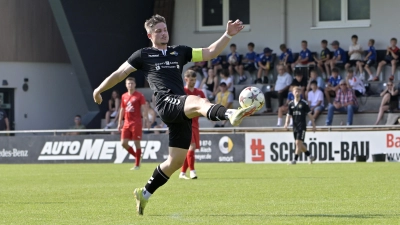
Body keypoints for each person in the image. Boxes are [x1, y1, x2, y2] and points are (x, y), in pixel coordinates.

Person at [92, 15, 256, 215]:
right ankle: (230, 113)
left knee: (176, 161)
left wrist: (227, 35)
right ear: (150, 35)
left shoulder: (179, 51)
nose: (163, 33)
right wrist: (98, 90)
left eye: (165, 29)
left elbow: (210, 52)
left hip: (179, 106)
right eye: (158, 31)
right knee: (199, 102)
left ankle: (145, 193)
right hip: (165, 102)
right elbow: (119, 74)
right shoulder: (143, 55)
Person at [179, 70, 205, 179]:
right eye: (191, 80)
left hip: (195, 124)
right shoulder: (182, 91)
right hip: (185, 123)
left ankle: (182, 173)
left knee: (189, 149)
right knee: (192, 146)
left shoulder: (199, 93)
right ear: (186, 79)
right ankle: (192, 171)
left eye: (194, 80)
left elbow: (204, 106)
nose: (193, 82)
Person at [118, 77, 147, 170]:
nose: (130, 85)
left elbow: (144, 107)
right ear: (126, 85)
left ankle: (137, 165)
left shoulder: (139, 95)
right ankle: (137, 156)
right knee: (123, 143)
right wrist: (120, 122)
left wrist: (145, 119)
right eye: (128, 83)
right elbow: (122, 109)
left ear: (135, 84)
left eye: (132, 83)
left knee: (136, 143)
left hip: (136, 122)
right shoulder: (124, 96)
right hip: (126, 122)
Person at [284, 86, 316, 165]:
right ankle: (310, 155)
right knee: (299, 144)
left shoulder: (304, 103)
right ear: (293, 93)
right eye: (295, 91)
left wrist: (313, 125)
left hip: (302, 126)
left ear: (301, 92)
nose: (297, 92)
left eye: (298, 91)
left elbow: (309, 114)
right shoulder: (291, 104)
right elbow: (288, 115)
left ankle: (294, 160)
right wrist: (286, 124)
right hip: (295, 127)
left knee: (298, 143)